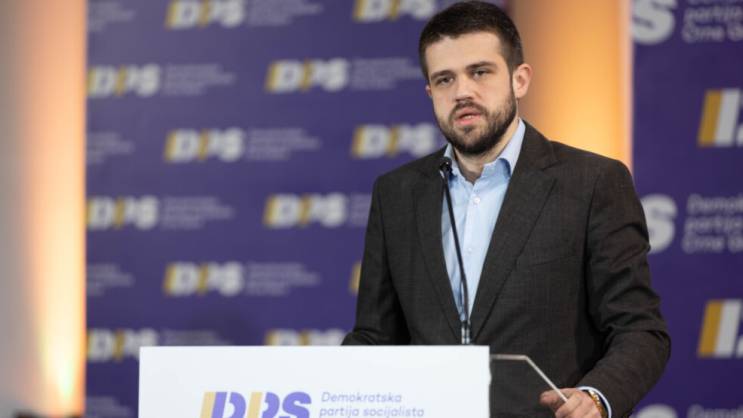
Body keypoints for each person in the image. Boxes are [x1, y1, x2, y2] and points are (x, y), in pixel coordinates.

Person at [342, 2, 670, 418]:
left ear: (520, 79)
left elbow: (639, 329)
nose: (462, 91)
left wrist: (596, 397)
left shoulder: (592, 183)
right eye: (445, 79)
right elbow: (375, 337)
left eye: (480, 72)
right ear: (430, 92)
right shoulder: (396, 194)